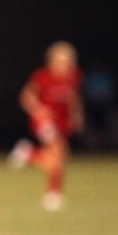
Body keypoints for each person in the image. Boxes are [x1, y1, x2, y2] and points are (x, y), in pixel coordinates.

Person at [8, 41, 84, 211]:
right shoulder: (42, 77)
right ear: (52, 61)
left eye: (68, 61)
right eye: (62, 61)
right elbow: (26, 97)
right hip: (45, 121)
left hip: (62, 121)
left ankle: (28, 154)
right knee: (58, 151)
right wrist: (38, 109)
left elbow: (74, 99)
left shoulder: (74, 77)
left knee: (58, 157)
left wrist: (77, 117)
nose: (65, 65)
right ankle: (53, 195)